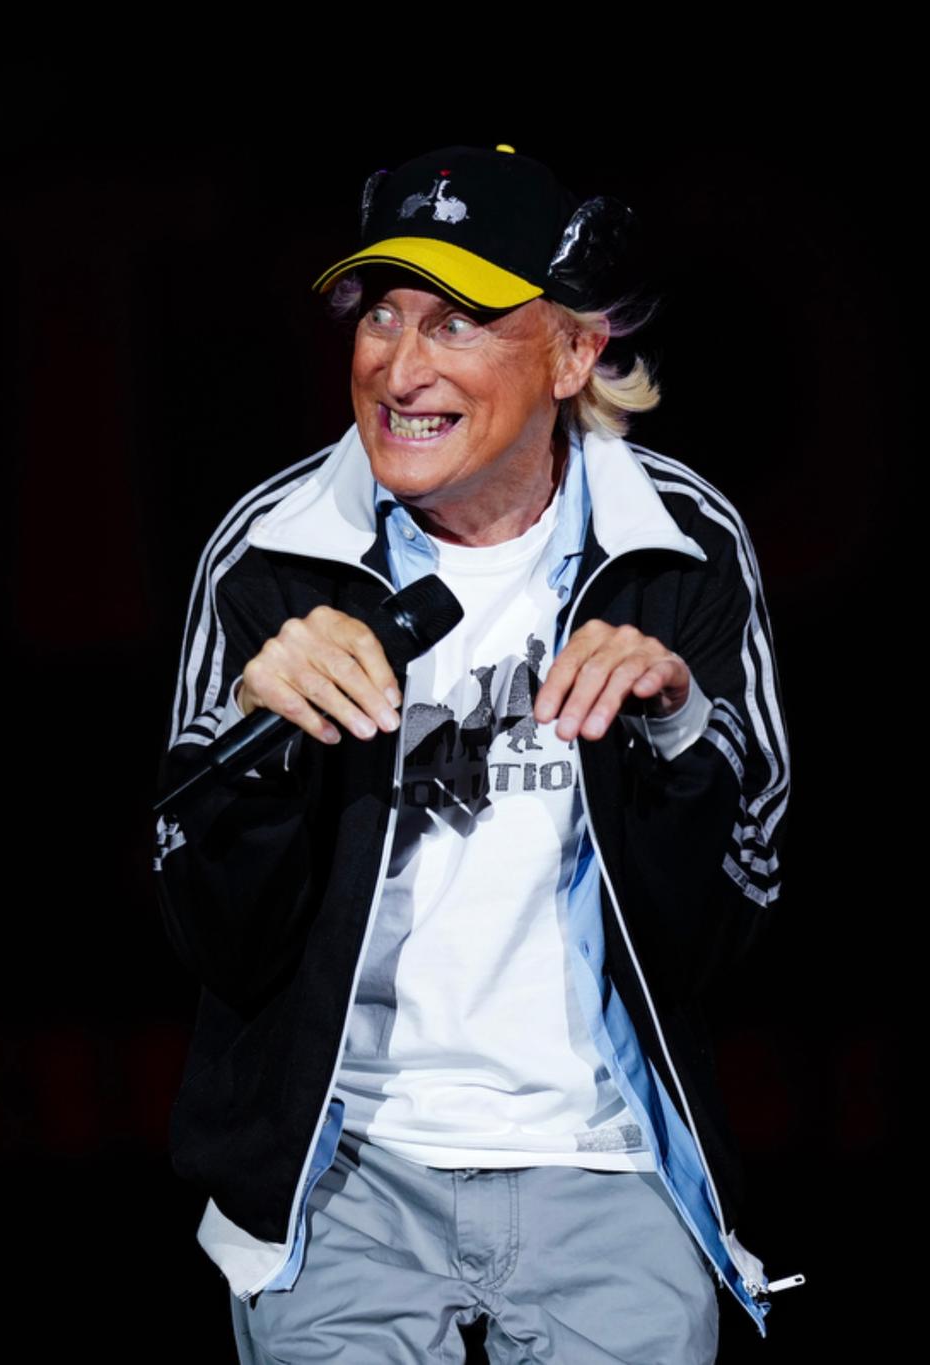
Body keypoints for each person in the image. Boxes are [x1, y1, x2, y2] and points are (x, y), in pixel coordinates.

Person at [154, 144, 793, 1363]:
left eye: (457, 322)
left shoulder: (680, 546)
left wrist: (672, 728)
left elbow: (735, 919)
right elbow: (206, 930)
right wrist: (257, 741)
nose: (398, 366)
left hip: (606, 1168)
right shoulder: (269, 554)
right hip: (340, 1180)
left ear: (573, 352)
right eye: (380, 314)